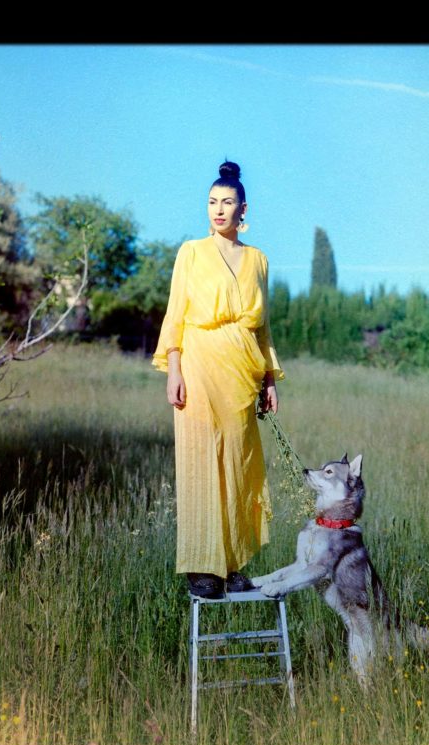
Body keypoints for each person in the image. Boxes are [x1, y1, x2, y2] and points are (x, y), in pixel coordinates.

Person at [152, 161, 284, 599]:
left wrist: (269, 378)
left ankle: (231, 564)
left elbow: (262, 326)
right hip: (199, 363)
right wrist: (173, 369)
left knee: (239, 467)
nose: (218, 210)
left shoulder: (258, 260)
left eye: (227, 202)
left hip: (242, 370)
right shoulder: (191, 252)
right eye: (212, 202)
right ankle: (202, 569)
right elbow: (176, 313)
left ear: (243, 208)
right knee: (201, 463)